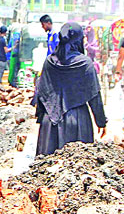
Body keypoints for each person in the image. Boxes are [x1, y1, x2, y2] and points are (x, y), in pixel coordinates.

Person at [33, 23, 107, 156]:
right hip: (77, 121)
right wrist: (100, 121)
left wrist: (40, 117)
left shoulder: (49, 62)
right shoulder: (85, 63)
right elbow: (94, 95)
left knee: (46, 169)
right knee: (76, 168)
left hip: (50, 123)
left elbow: (41, 92)